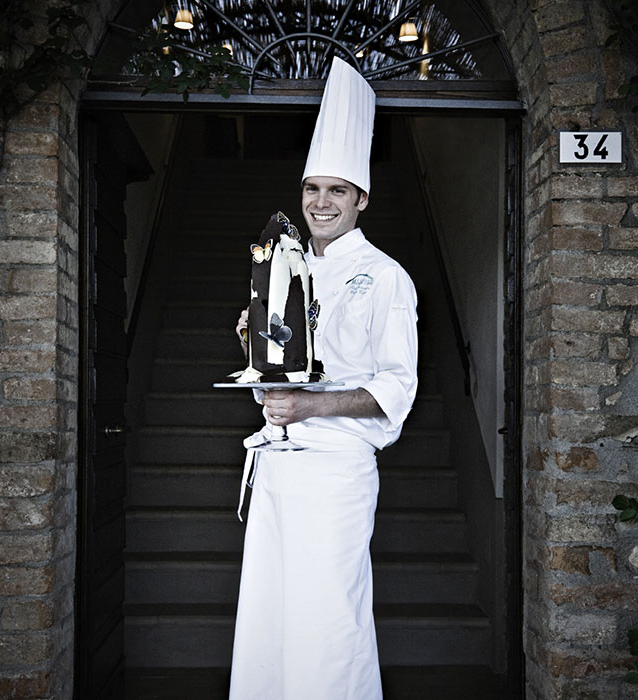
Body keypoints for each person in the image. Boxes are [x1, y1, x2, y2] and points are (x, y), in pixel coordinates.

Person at [228, 57, 418, 700]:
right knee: (270, 618)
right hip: (277, 466)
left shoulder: (386, 277)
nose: (321, 202)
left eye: (338, 190)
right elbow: (276, 380)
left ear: (362, 199)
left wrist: (311, 407)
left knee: (330, 622)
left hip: (337, 472)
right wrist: (256, 352)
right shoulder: (283, 271)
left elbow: (396, 388)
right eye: (313, 189)